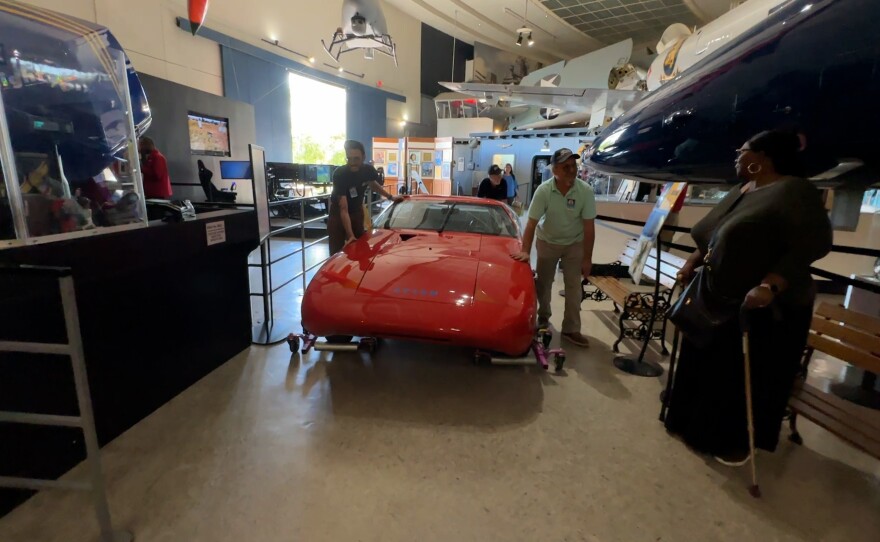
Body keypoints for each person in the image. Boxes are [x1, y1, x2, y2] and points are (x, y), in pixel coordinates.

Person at [664, 130, 832, 465]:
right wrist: (691, 262)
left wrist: (771, 284)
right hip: (716, 295)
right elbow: (713, 234)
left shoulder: (793, 191)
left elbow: (811, 245)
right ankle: (691, 423)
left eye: (742, 151)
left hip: (760, 307)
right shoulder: (742, 190)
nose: (737, 157)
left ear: (763, 157)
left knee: (737, 376)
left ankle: (733, 441)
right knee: (707, 364)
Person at [511, 148, 596, 347]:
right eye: (566, 167)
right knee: (543, 284)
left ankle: (571, 328)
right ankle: (543, 319)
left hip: (574, 244)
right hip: (548, 242)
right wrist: (525, 251)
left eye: (573, 166)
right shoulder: (544, 191)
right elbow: (531, 223)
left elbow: (589, 227)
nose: (571, 170)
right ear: (555, 169)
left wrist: (587, 258)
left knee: (574, 288)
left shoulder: (585, 191)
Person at [328, 139, 403, 254]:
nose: (352, 163)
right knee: (336, 250)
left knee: (360, 247)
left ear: (363, 157)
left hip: (357, 211)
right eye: (349, 159)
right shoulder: (340, 174)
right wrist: (350, 235)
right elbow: (343, 208)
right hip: (338, 214)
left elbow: (373, 184)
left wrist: (390, 197)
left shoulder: (368, 171)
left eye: (356, 159)